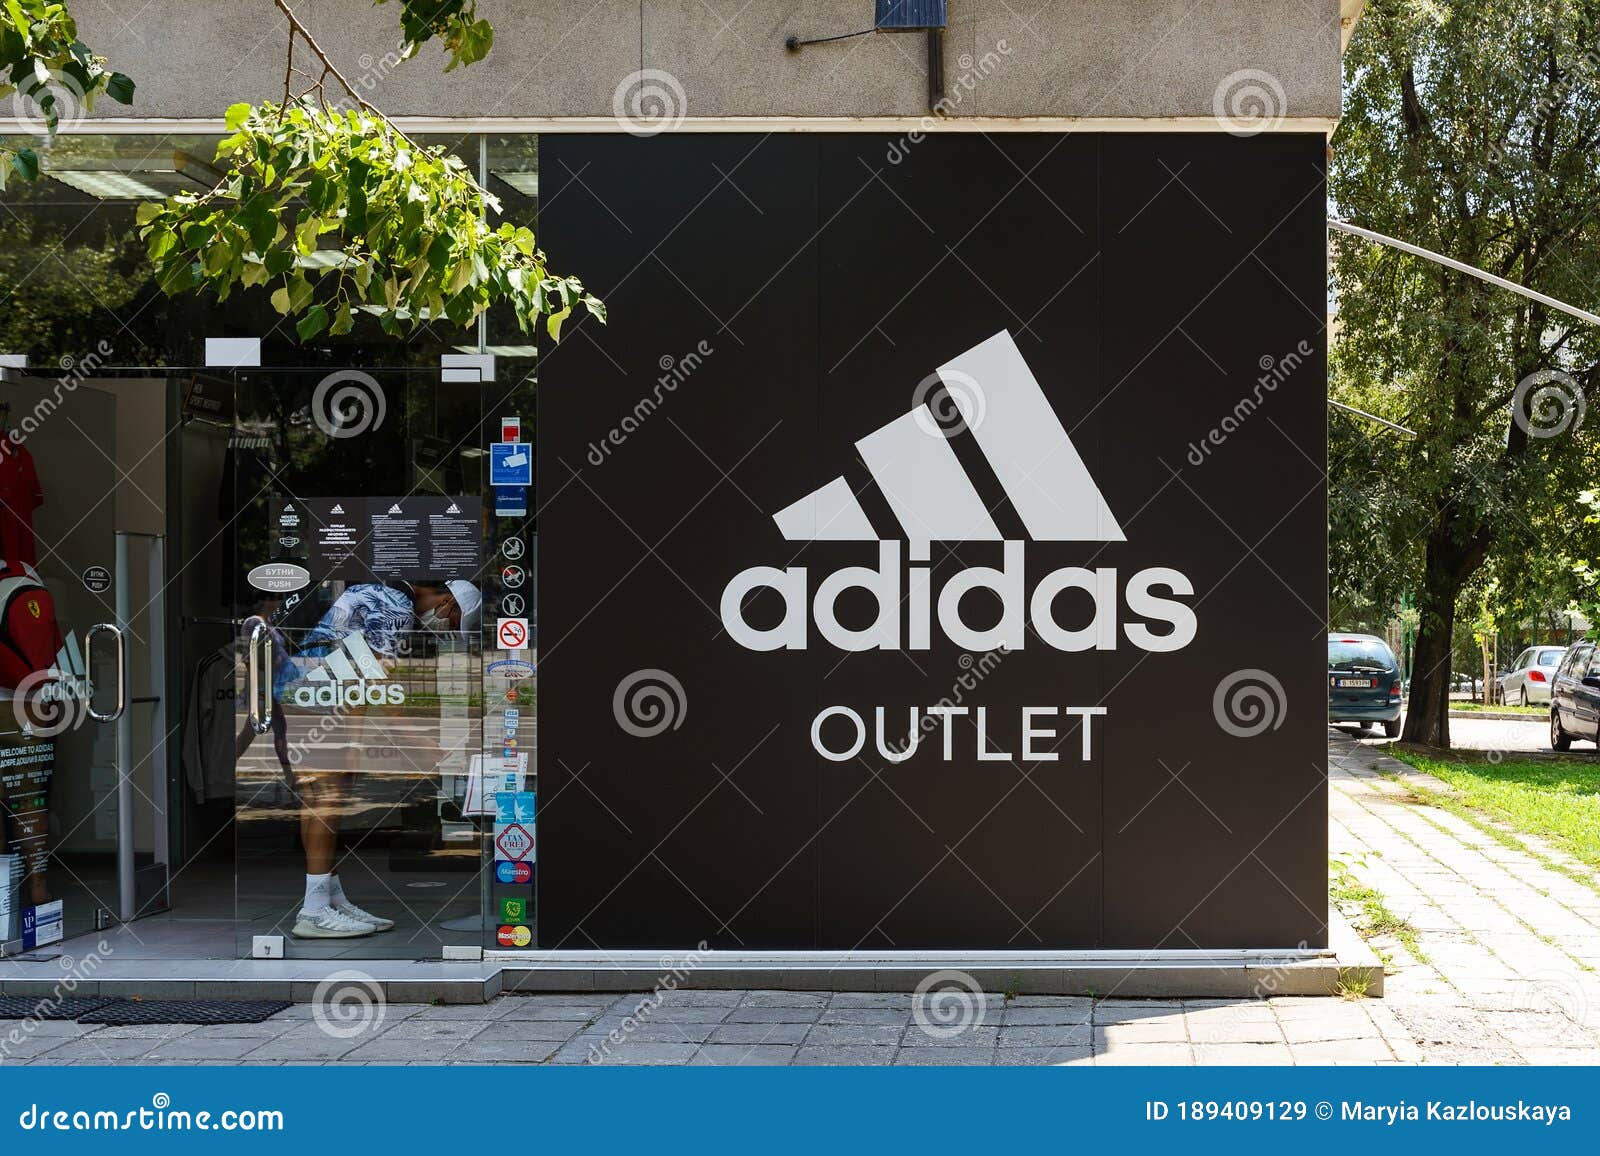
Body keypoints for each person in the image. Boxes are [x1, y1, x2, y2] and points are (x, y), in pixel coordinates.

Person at [273, 579, 481, 939]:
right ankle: (314, 910)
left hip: (302, 687)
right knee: (327, 800)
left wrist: (358, 740)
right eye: (452, 623)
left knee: (317, 799)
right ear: (448, 603)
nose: (445, 629)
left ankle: (329, 898)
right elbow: (379, 690)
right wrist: (424, 746)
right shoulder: (397, 609)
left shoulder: (382, 591)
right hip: (322, 692)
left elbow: (359, 670)